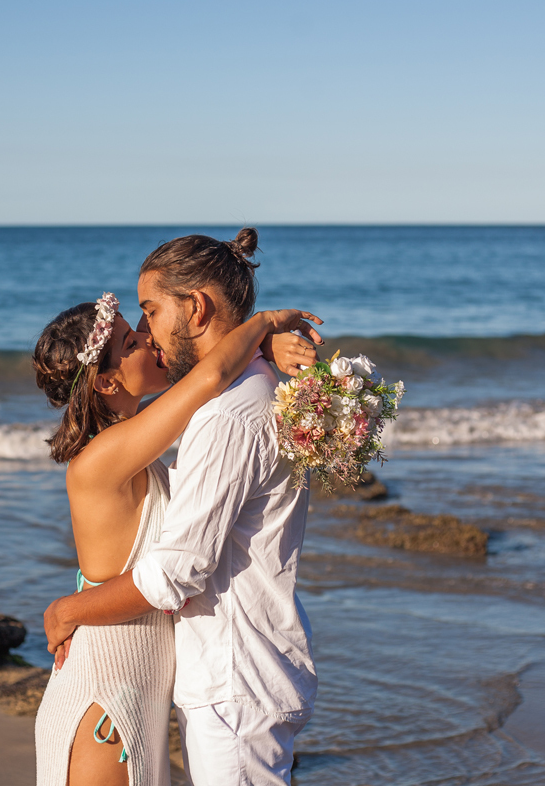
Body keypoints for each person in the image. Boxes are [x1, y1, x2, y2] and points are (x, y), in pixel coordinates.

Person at [32, 240, 321, 786]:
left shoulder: (149, 440)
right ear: (108, 380)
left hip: (149, 683)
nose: (148, 338)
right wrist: (261, 326)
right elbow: (210, 377)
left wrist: (263, 349)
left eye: (147, 319)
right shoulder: (100, 461)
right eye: (131, 338)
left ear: (195, 307)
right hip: (106, 682)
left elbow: (215, 379)